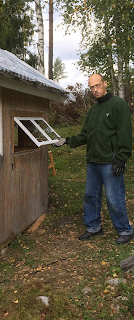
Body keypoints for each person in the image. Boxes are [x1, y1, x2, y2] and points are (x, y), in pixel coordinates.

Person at [54, 73, 133, 244]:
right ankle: (93, 227)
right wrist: (67, 141)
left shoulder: (118, 105)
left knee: (114, 197)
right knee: (91, 195)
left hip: (110, 161)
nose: (94, 90)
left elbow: (125, 133)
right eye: (91, 87)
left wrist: (122, 158)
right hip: (93, 161)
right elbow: (85, 135)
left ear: (105, 83)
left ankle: (125, 230)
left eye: (97, 85)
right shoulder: (93, 110)